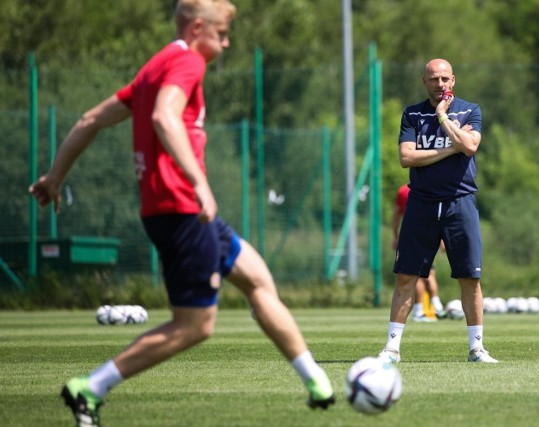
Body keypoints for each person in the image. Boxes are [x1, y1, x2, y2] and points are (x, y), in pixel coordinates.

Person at [29, 1, 334, 425]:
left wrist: (54, 177)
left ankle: (318, 383)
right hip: (182, 208)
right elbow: (164, 117)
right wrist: (199, 183)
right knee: (194, 326)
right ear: (197, 28)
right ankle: (90, 388)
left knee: (258, 279)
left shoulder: (155, 67)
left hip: (174, 210)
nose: (226, 44)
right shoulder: (187, 62)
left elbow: (90, 119)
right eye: (223, 34)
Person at [378, 58, 498, 364]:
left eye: (445, 78)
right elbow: (406, 158)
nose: (440, 84)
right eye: (434, 79)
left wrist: (443, 118)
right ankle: (392, 348)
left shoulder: (470, 110)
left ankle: (476, 349)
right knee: (406, 277)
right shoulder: (412, 113)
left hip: (461, 202)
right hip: (421, 203)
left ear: (454, 80)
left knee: (470, 278)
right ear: (424, 82)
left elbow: (470, 147)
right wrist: (449, 149)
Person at [392, 184, 445, 322]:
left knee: (415, 275)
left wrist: (395, 236)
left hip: (411, 232)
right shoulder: (429, 187)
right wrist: (442, 240)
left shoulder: (403, 191)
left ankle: (423, 310)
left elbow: (396, 215)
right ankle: (434, 308)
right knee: (427, 275)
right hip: (426, 231)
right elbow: (438, 215)